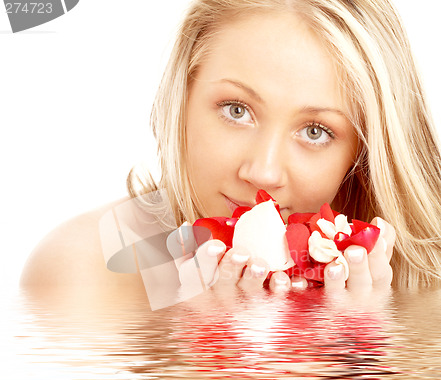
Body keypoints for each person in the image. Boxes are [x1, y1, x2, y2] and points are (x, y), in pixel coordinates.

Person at [20, 0, 441, 297]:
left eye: (315, 131)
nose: (262, 172)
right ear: (181, 97)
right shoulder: (82, 270)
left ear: (363, 159)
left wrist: (348, 355)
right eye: (236, 110)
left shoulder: (421, 287)